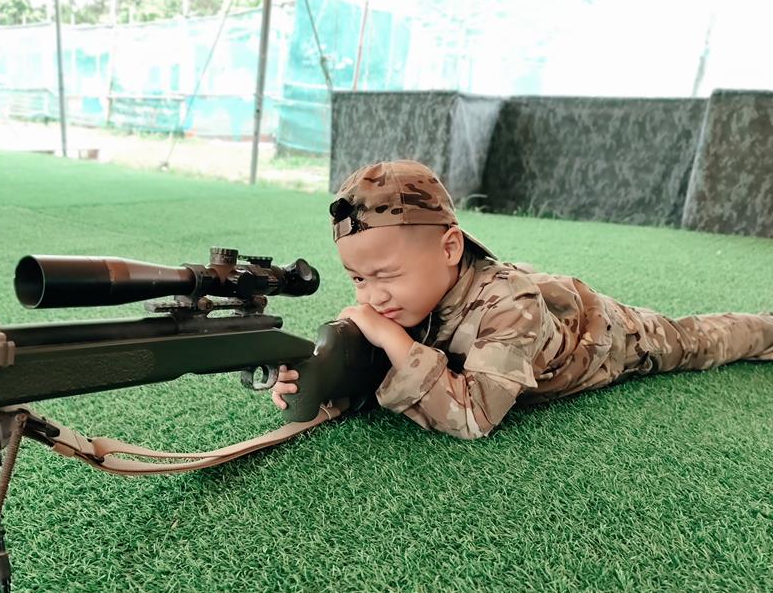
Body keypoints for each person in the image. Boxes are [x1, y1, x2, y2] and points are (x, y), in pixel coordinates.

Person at [271, 160, 773, 439]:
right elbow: (380, 365)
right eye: (358, 279)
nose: (371, 295)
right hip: (531, 309)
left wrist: (388, 338)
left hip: (604, 336)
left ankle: (766, 328)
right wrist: (321, 379)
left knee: (692, 341)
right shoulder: (406, 298)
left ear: (450, 248)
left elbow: (473, 415)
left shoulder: (510, 304)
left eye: (386, 275)